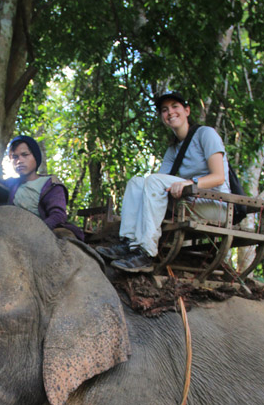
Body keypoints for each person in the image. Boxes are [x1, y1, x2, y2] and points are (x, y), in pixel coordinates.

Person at [97, 91, 230, 273]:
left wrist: (189, 183)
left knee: (153, 180)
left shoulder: (206, 134)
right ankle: (130, 243)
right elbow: (156, 186)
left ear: (187, 110)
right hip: (189, 204)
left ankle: (146, 252)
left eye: (175, 107)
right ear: (162, 117)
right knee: (137, 182)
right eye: (165, 110)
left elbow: (219, 177)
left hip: (217, 205)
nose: (170, 112)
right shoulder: (173, 149)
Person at [4, 135, 84, 240]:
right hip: (16, 232)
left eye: (25, 155)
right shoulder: (12, 184)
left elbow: (58, 216)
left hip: (44, 232)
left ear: (36, 157)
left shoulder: (51, 185)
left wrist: (35, 230)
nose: (19, 161)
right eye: (15, 157)